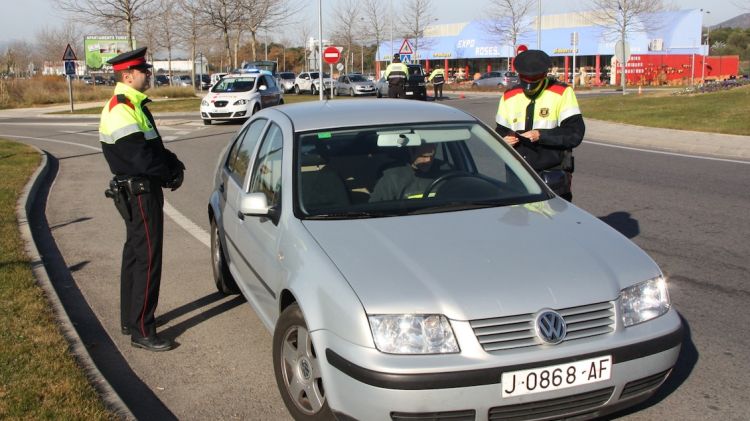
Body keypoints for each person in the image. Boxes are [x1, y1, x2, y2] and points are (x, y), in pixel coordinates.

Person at [99, 47, 185, 352]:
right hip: (140, 192)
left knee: (135, 256)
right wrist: (168, 173)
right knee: (147, 258)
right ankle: (143, 330)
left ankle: (130, 320)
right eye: (143, 71)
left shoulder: (132, 104)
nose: (149, 74)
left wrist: (174, 164)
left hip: (139, 190)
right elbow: (142, 158)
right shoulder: (122, 107)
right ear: (127, 75)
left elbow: (153, 146)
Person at [495, 49, 585, 201]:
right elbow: (500, 130)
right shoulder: (509, 96)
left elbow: (574, 133)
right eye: (525, 79)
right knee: (519, 222)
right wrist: (504, 140)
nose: (529, 86)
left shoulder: (562, 92)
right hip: (518, 174)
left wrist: (541, 135)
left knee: (555, 221)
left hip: (552, 174)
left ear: (544, 75)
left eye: (534, 79)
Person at [370, 143, 450, 201]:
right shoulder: (391, 178)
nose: (428, 160)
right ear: (411, 152)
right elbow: (375, 209)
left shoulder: (446, 171)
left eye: (431, 155)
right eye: (424, 156)